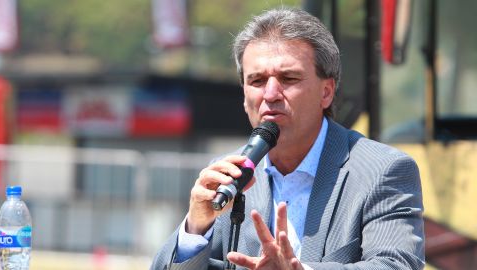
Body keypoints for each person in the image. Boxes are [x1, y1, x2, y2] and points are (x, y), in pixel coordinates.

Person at [150, 7, 425, 270]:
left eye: (288, 78)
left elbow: (396, 265)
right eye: (257, 81)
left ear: (327, 92)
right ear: (244, 96)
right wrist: (195, 228)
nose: (270, 94)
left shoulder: (383, 170)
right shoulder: (230, 175)